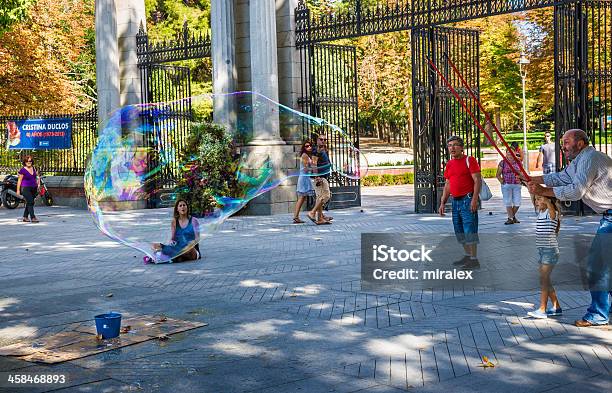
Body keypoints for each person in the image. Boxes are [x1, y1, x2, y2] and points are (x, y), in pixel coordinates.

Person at [527, 129, 612, 327]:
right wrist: (531, 179)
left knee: (597, 265)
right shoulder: (580, 161)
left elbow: (575, 190)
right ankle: (603, 308)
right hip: (608, 216)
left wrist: (543, 191)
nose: (563, 147)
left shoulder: (589, 158)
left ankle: (599, 314)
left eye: (566, 142)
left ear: (580, 143)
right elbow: (560, 177)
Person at [438, 135, 483, 269]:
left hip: (467, 199)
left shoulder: (470, 160)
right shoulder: (449, 164)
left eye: (455, 145)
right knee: (459, 230)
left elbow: (477, 180)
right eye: (450, 145)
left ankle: (474, 259)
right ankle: (467, 256)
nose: (452, 148)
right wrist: (443, 202)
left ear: (461, 147)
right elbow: (448, 184)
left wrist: (474, 200)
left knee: (470, 230)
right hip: (455, 202)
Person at [527, 195, 562, 319]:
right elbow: (532, 192)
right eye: (536, 199)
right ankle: (556, 307)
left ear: (548, 201)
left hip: (550, 251)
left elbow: (552, 211)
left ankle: (542, 309)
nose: (536, 202)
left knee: (544, 280)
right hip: (543, 251)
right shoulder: (541, 212)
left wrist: (547, 201)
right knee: (545, 280)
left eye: (539, 199)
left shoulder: (551, 212)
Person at [148, 199, 201, 264]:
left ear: (187, 207)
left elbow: (197, 239)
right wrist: (171, 242)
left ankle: (165, 257)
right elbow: (173, 238)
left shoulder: (194, 220)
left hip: (192, 250)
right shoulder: (174, 222)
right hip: (178, 247)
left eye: (184, 205)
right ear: (177, 209)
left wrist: (191, 243)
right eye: (180, 206)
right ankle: (174, 257)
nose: (182, 207)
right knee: (154, 245)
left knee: (187, 249)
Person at [308, 134, 333, 225]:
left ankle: (320, 218)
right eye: (321, 139)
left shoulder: (323, 150)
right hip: (320, 178)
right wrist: (317, 176)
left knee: (320, 197)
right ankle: (312, 213)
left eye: (325, 139)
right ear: (317, 140)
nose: (323, 141)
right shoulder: (316, 151)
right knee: (326, 195)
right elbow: (314, 164)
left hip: (323, 176)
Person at [293, 140, 317, 224]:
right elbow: (306, 169)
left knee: (303, 198)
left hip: (306, 178)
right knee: (302, 198)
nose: (309, 147)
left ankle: (296, 217)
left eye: (310, 145)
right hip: (304, 178)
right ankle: (296, 217)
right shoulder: (305, 155)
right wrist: (315, 168)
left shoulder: (308, 155)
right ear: (304, 148)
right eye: (306, 146)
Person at [496, 148, 523, 224]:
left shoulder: (519, 162)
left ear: (515, 153)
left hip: (517, 184)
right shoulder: (503, 163)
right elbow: (497, 175)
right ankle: (511, 218)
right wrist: (502, 182)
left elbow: (522, 173)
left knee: (517, 203)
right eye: (508, 153)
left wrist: (518, 173)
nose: (510, 155)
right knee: (508, 202)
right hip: (507, 184)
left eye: (512, 153)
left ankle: (510, 217)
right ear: (506, 154)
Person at [16, 155, 40, 223]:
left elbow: (37, 177)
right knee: (30, 202)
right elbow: (19, 181)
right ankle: (33, 217)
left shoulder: (34, 168)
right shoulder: (22, 170)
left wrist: (38, 184)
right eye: (27, 161)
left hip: (34, 188)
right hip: (25, 188)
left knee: (30, 202)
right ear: (25, 162)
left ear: (32, 162)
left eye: (30, 161)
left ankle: (25, 217)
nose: (29, 162)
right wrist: (18, 190)